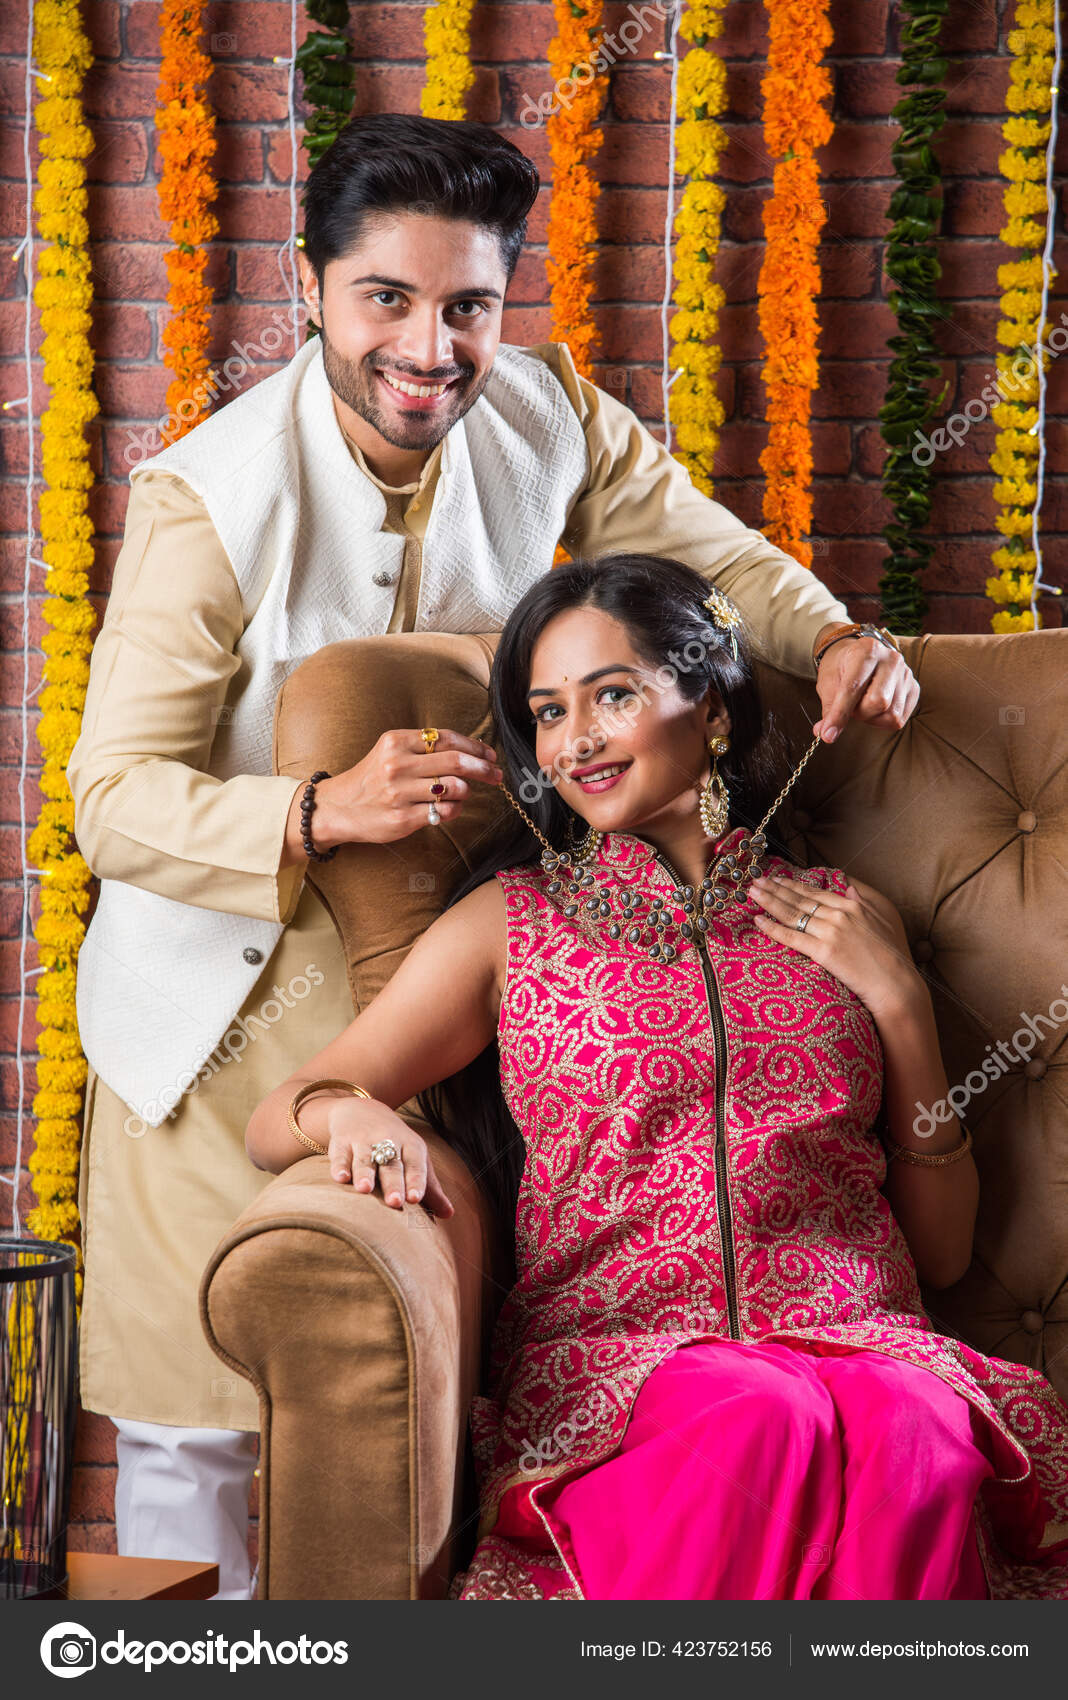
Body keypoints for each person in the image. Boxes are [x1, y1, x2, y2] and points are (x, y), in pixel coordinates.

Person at [68, 113, 919, 1599]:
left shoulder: (552, 415)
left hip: (451, 1002)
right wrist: (314, 811)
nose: (431, 347)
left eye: (466, 305)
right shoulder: (209, 502)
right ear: (312, 289)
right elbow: (109, 796)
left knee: (402, 1406)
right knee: (195, 1436)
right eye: (385, 299)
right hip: (223, 1017)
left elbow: (715, 565)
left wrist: (838, 633)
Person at [246, 554, 1068, 1601]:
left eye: (614, 694)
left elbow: (944, 1249)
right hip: (626, 1371)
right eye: (548, 712)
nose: (575, 738)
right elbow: (287, 1109)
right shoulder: (515, 922)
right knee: (765, 1414)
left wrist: (900, 998)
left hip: (864, 1348)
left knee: (912, 1428)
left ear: (713, 710)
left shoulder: (843, 913)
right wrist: (352, 1115)